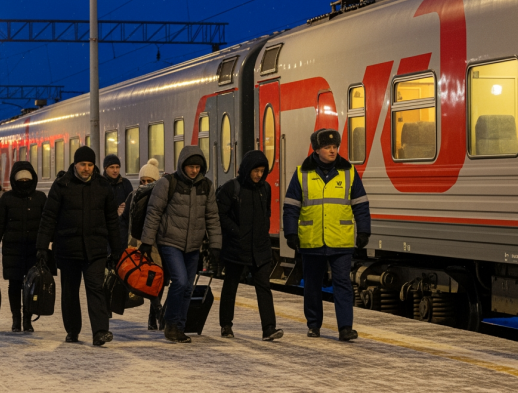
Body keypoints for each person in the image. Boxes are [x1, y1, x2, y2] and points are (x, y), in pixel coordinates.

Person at [283, 128, 370, 342]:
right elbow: (291, 206)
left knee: (343, 283)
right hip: (312, 238)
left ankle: (345, 328)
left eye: (335, 147)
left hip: (340, 239)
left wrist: (364, 230)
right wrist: (291, 233)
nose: (332, 151)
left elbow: (360, 204)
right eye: (327, 147)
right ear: (317, 149)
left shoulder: (348, 171)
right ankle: (314, 325)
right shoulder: (302, 173)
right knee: (312, 284)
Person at [37, 146, 120, 346]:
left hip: (96, 248)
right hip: (68, 248)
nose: (86, 168)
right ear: (75, 164)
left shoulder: (102, 186)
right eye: (83, 164)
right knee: (70, 291)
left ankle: (100, 331)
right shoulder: (62, 184)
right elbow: (49, 217)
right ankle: (72, 330)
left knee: (96, 288)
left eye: (90, 165)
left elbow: (112, 220)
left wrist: (118, 249)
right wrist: (41, 247)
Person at [139, 146, 221, 343]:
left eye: (197, 167)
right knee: (181, 281)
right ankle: (170, 323)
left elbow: (212, 217)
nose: (194, 170)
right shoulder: (168, 183)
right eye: (191, 166)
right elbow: (154, 213)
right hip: (170, 241)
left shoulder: (206, 186)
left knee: (187, 288)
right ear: (182, 165)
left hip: (193, 245)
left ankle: (180, 327)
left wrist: (216, 246)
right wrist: (147, 242)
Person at [216, 150, 283, 341]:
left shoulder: (265, 189)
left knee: (264, 286)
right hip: (236, 247)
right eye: (256, 171)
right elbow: (220, 215)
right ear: (247, 169)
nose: (259, 175)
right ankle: (226, 325)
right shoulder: (231, 188)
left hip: (260, 248)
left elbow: (267, 212)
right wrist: (236, 232)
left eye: (262, 171)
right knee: (231, 285)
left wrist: (263, 233)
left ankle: (269, 328)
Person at [0, 162, 47, 332]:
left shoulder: (40, 198)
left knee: (32, 285)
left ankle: (27, 318)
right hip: (13, 250)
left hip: (34, 250)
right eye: (21, 178)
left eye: (27, 178)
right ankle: (16, 318)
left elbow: (47, 225)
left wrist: (45, 247)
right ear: (14, 179)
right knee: (14, 285)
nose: (24, 181)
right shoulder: (7, 198)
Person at [120, 158, 165, 331]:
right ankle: (157, 312)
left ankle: (154, 315)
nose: (145, 184)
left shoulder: (160, 197)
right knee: (143, 279)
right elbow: (125, 221)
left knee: (158, 280)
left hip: (156, 244)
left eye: (149, 181)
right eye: (143, 181)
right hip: (137, 244)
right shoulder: (133, 196)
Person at [102, 154, 134, 254]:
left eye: (117, 167)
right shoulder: (100, 184)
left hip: (122, 230)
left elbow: (132, 204)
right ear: (105, 168)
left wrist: (126, 208)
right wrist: (115, 211)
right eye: (112, 167)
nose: (115, 170)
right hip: (105, 231)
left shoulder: (125, 184)